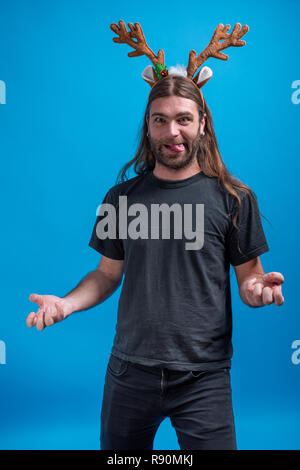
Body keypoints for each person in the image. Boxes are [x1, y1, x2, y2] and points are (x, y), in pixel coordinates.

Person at [26, 22, 285, 450]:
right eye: (160, 121)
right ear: (147, 125)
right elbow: (107, 275)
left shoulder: (235, 199)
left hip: (204, 377)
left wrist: (260, 290)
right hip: (130, 373)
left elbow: (249, 281)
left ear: (202, 123)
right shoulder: (122, 197)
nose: (172, 133)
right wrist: (66, 304)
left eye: (183, 120)